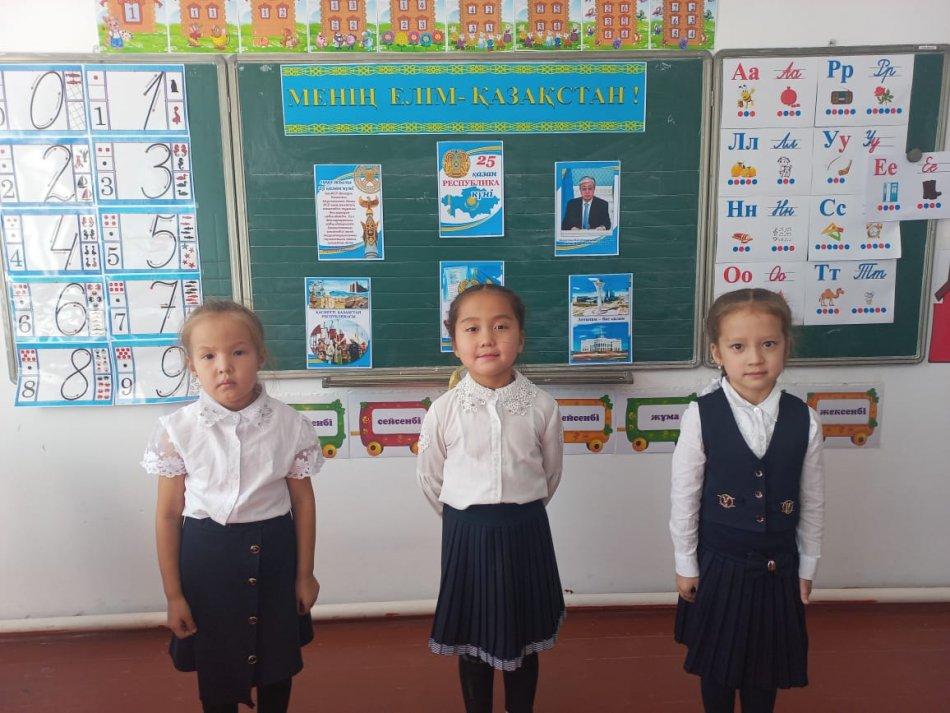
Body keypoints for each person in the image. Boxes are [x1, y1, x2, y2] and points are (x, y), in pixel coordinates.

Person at [142, 300, 322, 713]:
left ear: (261, 356)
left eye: (238, 352)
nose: (224, 366)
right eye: (208, 356)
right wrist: (174, 595)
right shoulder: (177, 430)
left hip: (276, 556)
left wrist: (304, 574)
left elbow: (303, 502)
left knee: (276, 666)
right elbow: (168, 515)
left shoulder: (291, 425)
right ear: (192, 365)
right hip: (207, 562)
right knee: (216, 667)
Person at [670, 288, 825, 713]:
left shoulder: (805, 419)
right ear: (717, 352)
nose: (755, 358)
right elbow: (684, 495)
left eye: (768, 343)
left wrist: (808, 565)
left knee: (764, 667)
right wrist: (686, 563)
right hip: (720, 562)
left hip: (779, 565)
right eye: (738, 346)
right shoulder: (700, 414)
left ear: (786, 346)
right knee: (718, 667)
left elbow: (813, 501)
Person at [416, 284, 565, 713]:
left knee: (524, 639)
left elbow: (550, 473)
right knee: (472, 642)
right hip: (467, 535)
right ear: (454, 343)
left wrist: (518, 509)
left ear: (521, 338)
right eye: (472, 328)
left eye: (501, 327)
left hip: (525, 532)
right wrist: (467, 518)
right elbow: (431, 478)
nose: (487, 339)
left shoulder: (542, 406)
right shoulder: (443, 410)